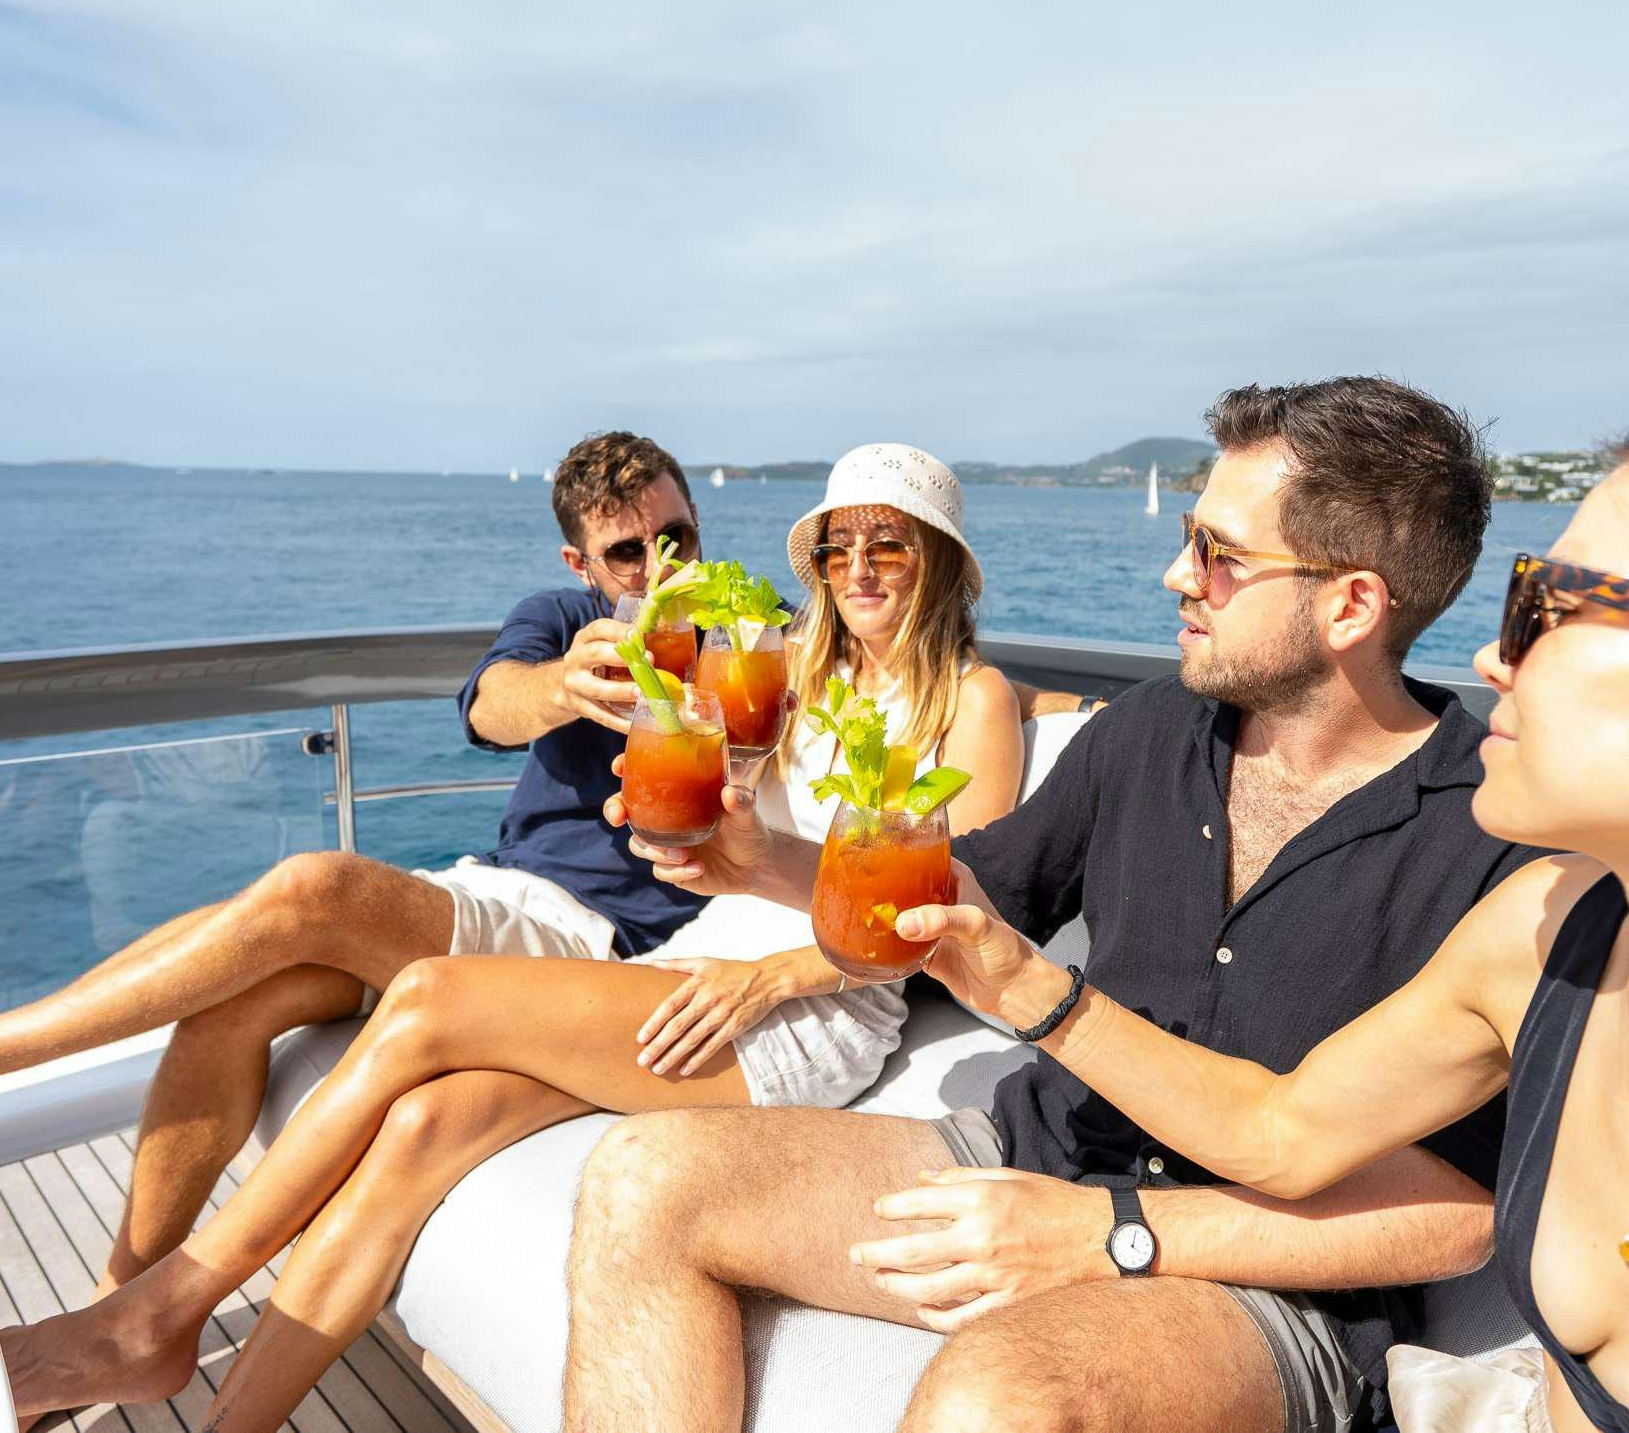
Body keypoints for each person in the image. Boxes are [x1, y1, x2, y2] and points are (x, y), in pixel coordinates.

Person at [575, 377, 1548, 1433]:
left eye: (1219, 556)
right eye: (1189, 536)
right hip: (1031, 1151)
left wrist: (1108, 1231)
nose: (1177, 573)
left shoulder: (1485, 836)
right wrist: (760, 862)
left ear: (1349, 604)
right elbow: (964, 892)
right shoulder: (1148, 729)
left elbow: (1456, 1217)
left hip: (1262, 1275)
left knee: (1000, 1397)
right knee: (643, 1176)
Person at [0, 444, 1025, 1429]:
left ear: (934, 557)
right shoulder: (791, 661)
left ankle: (153, 1316)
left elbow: (944, 912)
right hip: (698, 954)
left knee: (430, 1000)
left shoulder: (972, 702)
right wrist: (674, 804)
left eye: (886, 544)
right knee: (420, 1128)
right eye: (837, 547)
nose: (858, 569)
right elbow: (672, 749)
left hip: (807, 1001)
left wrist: (767, 978)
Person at [890, 400, 1629, 1432]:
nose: (1493, 661)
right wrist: (1021, 986)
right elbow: (1278, 1129)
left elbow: (1438, 1211)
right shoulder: (1546, 933)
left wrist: (1113, 1232)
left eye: (1550, 607)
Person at [0, 430, 718, 1297]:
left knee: (318, 885)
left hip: (598, 939)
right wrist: (563, 682)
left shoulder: (749, 640)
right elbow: (490, 708)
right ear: (581, 563)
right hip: (497, 892)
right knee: (237, 1001)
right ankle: (123, 1297)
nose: (658, 567)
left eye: (675, 538)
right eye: (628, 551)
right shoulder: (565, 619)